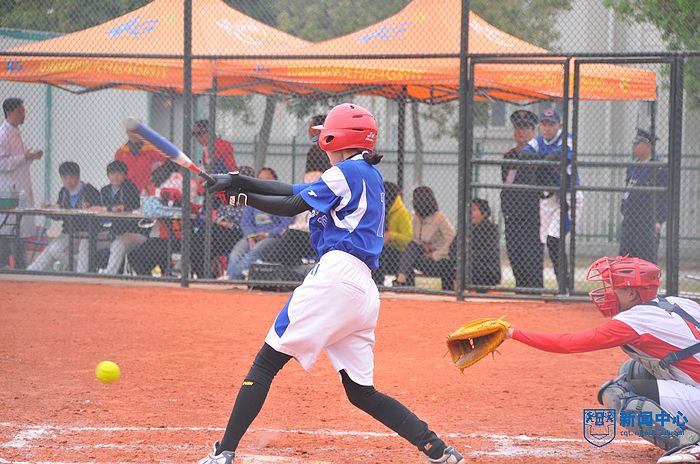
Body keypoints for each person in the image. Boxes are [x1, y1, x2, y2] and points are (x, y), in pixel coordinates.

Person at [201, 103, 468, 464]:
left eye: (325, 136)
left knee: (265, 364)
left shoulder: (346, 171)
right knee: (361, 392)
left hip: (335, 278)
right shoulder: (366, 174)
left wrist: (240, 190)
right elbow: (292, 191)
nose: (321, 143)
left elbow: (291, 203)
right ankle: (436, 448)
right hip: (363, 292)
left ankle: (223, 453)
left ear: (336, 138)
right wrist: (238, 183)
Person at [505, 255, 700, 464]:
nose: (607, 291)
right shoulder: (681, 303)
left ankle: (688, 445)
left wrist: (511, 333)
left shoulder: (633, 320)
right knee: (632, 371)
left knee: (616, 395)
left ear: (632, 293)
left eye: (614, 287)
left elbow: (568, 343)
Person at [521, 108, 583, 289]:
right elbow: (524, 154)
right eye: (544, 124)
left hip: (569, 197)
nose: (547, 128)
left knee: (554, 239)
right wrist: (545, 160)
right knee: (546, 241)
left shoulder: (566, 138)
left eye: (551, 124)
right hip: (549, 199)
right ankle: (562, 286)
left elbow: (560, 155)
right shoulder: (539, 140)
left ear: (559, 125)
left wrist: (541, 160)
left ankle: (565, 286)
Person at [26, 161, 100, 273]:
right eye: (64, 178)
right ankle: (30, 272)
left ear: (78, 176)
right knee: (53, 249)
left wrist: (90, 207)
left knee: (84, 249)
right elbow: (59, 216)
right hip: (69, 232)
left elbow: (99, 211)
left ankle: (81, 273)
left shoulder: (90, 190)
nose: (68, 181)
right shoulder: (63, 192)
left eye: (71, 177)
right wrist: (49, 210)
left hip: (87, 233)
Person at [225, 167, 293, 280]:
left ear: (275, 181)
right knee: (236, 253)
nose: (263, 182)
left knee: (254, 251)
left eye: (267, 179)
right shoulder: (252, 198)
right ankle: (233, 277)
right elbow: (245, 222)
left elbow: (286, 224)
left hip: (272, 237)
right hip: (253, 236)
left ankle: (231, 277)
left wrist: (268, 234)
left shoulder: (282, 199)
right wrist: (250, 236)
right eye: (261, 179)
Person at [501, 110, 543, 289]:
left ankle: (534, 292)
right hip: (512, 214)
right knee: (515, 254)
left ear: (533, 131)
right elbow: (506, 182)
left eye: (525, 128)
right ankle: (520, 290)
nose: (521, 132)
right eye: (518, 127)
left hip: (532, 215)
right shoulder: (509, 156)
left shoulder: (539, 154)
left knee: (531, 256)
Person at [0, 97, 43, 269]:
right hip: (8, 191)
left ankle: (19, 266)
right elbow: (2, 163)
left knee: (17, 229)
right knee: (7, 229)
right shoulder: (3, 135)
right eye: (20, 111)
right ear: (10, 112)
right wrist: (24, 157)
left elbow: (19, 160)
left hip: (19, 188)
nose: (24, 114)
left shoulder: (16, 133)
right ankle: (8, 265)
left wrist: (30, 157)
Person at [190, 166, 255, 278]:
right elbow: (220, 213)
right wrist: (222, 221)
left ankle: (206, 275)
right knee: (201, 238)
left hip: (238, 233)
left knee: (207, 233)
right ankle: (205, 275)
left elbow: (248, 222)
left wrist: (231, 225)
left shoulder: (252, 198)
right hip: (221, 231)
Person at [393, 186, 456, 290]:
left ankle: (401, 281)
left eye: (414, 199)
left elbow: (452, 240)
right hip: (424, 256)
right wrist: (423, 246)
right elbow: (416, 239)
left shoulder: (439, 218)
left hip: (440, 260)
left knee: (410, 255)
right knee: (411, 249)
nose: (412, 201)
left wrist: (435, 254)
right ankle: (405, 284)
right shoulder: (416, 218)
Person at [619, 128, 667, 264]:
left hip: (647, 219)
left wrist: (659, 220)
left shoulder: (659, 167)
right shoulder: (633, 166)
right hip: (630, 218)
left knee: (645, 259)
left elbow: (664, 197)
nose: (634, 146)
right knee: (625, 257)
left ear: (647, 145)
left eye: (637, 143)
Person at [97, 160, 145, 275]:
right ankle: (85, 272)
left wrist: (110, 208)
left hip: (133, 232)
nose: (116, 177)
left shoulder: (130, 188)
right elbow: (101, 208)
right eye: (112, 174)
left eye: (119, 174)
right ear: (108, 175)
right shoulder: (104, 190)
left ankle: (109, 275)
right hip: (113, 231)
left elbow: (127, 207)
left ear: (125, 175)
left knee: (117, 244)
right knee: (88, 243)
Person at [449, 198, 501, 289]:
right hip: (464, 263)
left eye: (474, 210)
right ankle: (449, 294)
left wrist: (465, 255)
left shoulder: (491, 229)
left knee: (469, 267)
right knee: (447, 266)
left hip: (485, 268)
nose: (470, 213)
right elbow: (453, 248)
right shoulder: (465, 228)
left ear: (484, 213)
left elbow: (487, 253)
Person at [372, 181, 412, 286]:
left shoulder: (402, 212)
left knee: (381, 253)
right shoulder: (380, 209)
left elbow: (409, 240)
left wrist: (391, 236)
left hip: (399, 254)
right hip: (383, 250)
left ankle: (378, 284)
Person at [114, 128, 163, 193]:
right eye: (131, 130)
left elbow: (163, 168)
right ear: (127, 132)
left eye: (136, 130)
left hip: (148, 191)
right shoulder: (120, 152)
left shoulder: (153, 150)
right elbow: (117, 173)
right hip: (128, 191)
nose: (133, 133)